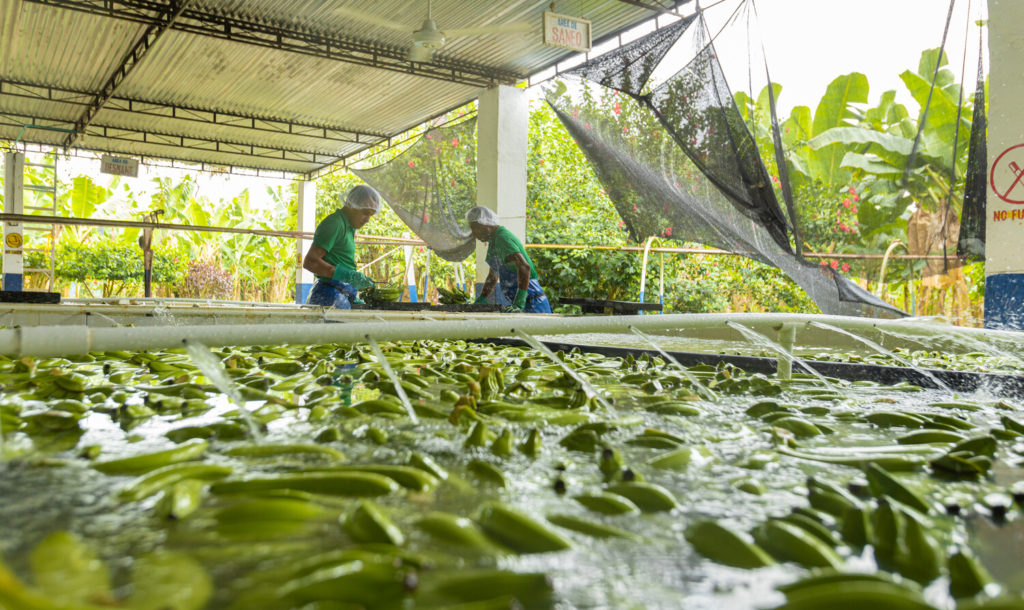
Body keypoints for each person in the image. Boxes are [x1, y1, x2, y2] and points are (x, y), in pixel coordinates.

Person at [302, 185, 380, 309]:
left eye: (371, 215)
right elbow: (310, 262)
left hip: (340, 293)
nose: (367, 220)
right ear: (352, 205)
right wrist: (348, 276)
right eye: (365, 213)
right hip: (328, 295)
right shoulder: (335, 223)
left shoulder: (349, 226)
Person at [466, 206, 552, 313]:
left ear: (486, 224)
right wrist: (482, 299)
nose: (474, 234)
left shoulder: (503, 238)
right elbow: (493, 276)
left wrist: (519, 302)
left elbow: (524, 267)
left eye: (475, 228)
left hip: (533, 303)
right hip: (524, 304)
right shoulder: (494, 242)